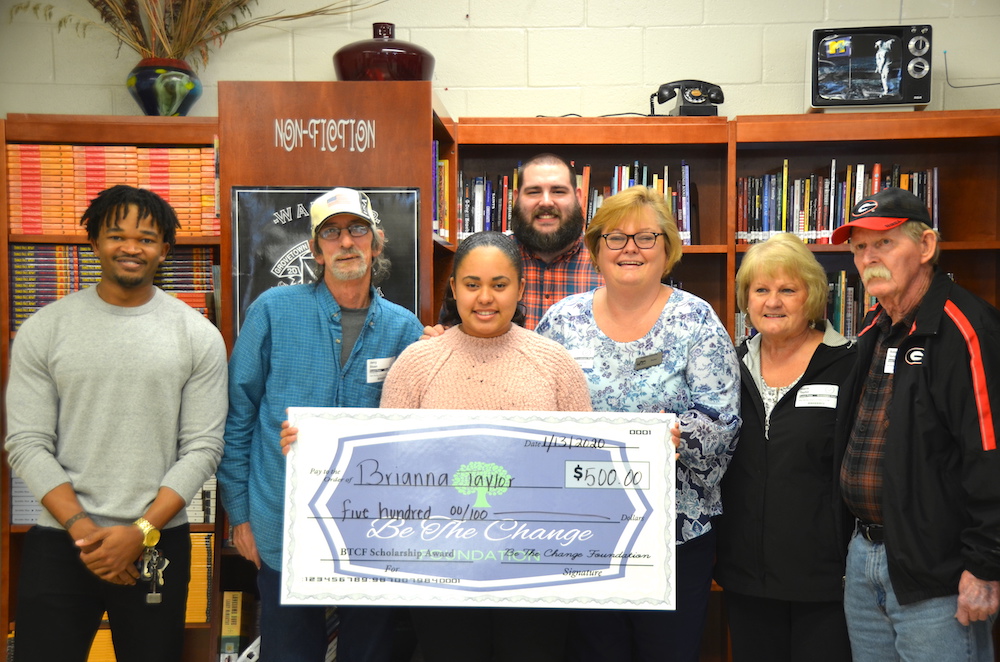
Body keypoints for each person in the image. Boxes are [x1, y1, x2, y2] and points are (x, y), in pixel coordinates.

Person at [5, 185, 228, 662]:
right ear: (94, 242)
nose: (131, 247)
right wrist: (86, 533)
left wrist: (141, 531)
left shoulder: (197, 336)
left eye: (146, 238)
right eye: (117, 235)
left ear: (165, 249)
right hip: (61, 542)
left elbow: (203, 448)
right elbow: (26, 443)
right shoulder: (45, 329)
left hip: (157, 544)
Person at [218, 187, 425, 662]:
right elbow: (239, 417)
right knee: (289, 651)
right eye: (331, 232)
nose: (345, 242)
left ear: (376, 241)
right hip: (280, 522)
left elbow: (414, 434)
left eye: (357, 229)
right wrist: (240, 515)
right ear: (315, 249)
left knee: (369, 652)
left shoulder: (405, 328)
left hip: (372, 530)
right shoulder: (271, 312)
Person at [536, 185, 741, 662]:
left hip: (671, 535)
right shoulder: (562, 321)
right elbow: (535, 403)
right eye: (616, 237)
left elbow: (723, 419)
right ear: (595, 249)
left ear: (668, 248)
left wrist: (674, 436)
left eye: (646, 237)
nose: (630, 248)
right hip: (580, 533)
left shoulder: (696, 320)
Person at [380, 231, 593, 661]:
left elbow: (584, 466)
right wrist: (311, 447)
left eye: (499, 284)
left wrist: (649, 452)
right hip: (440, 568)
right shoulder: (416, 363)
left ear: (521, 289)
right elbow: (386, 469)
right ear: (454, 287)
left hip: (536, 570)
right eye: (472, 284)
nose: (485, 298)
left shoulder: (555, 364)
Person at [831, 186, 1000, 662]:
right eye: (860, 247)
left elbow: (990, 453)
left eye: (884, 242)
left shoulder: (967, 329)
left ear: (925, 247)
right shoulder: (873, 327)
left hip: (939, 572)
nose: (869, 257)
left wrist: (986, 566)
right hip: (865, 558)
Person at [713, 233, 854, 662]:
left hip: (826, 580)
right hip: (745, 578)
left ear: (811, 296)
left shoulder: (850, 363)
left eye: (787, 290)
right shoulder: (726, 368)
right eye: (761, 290)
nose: (773, 302)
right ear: (746, 298)